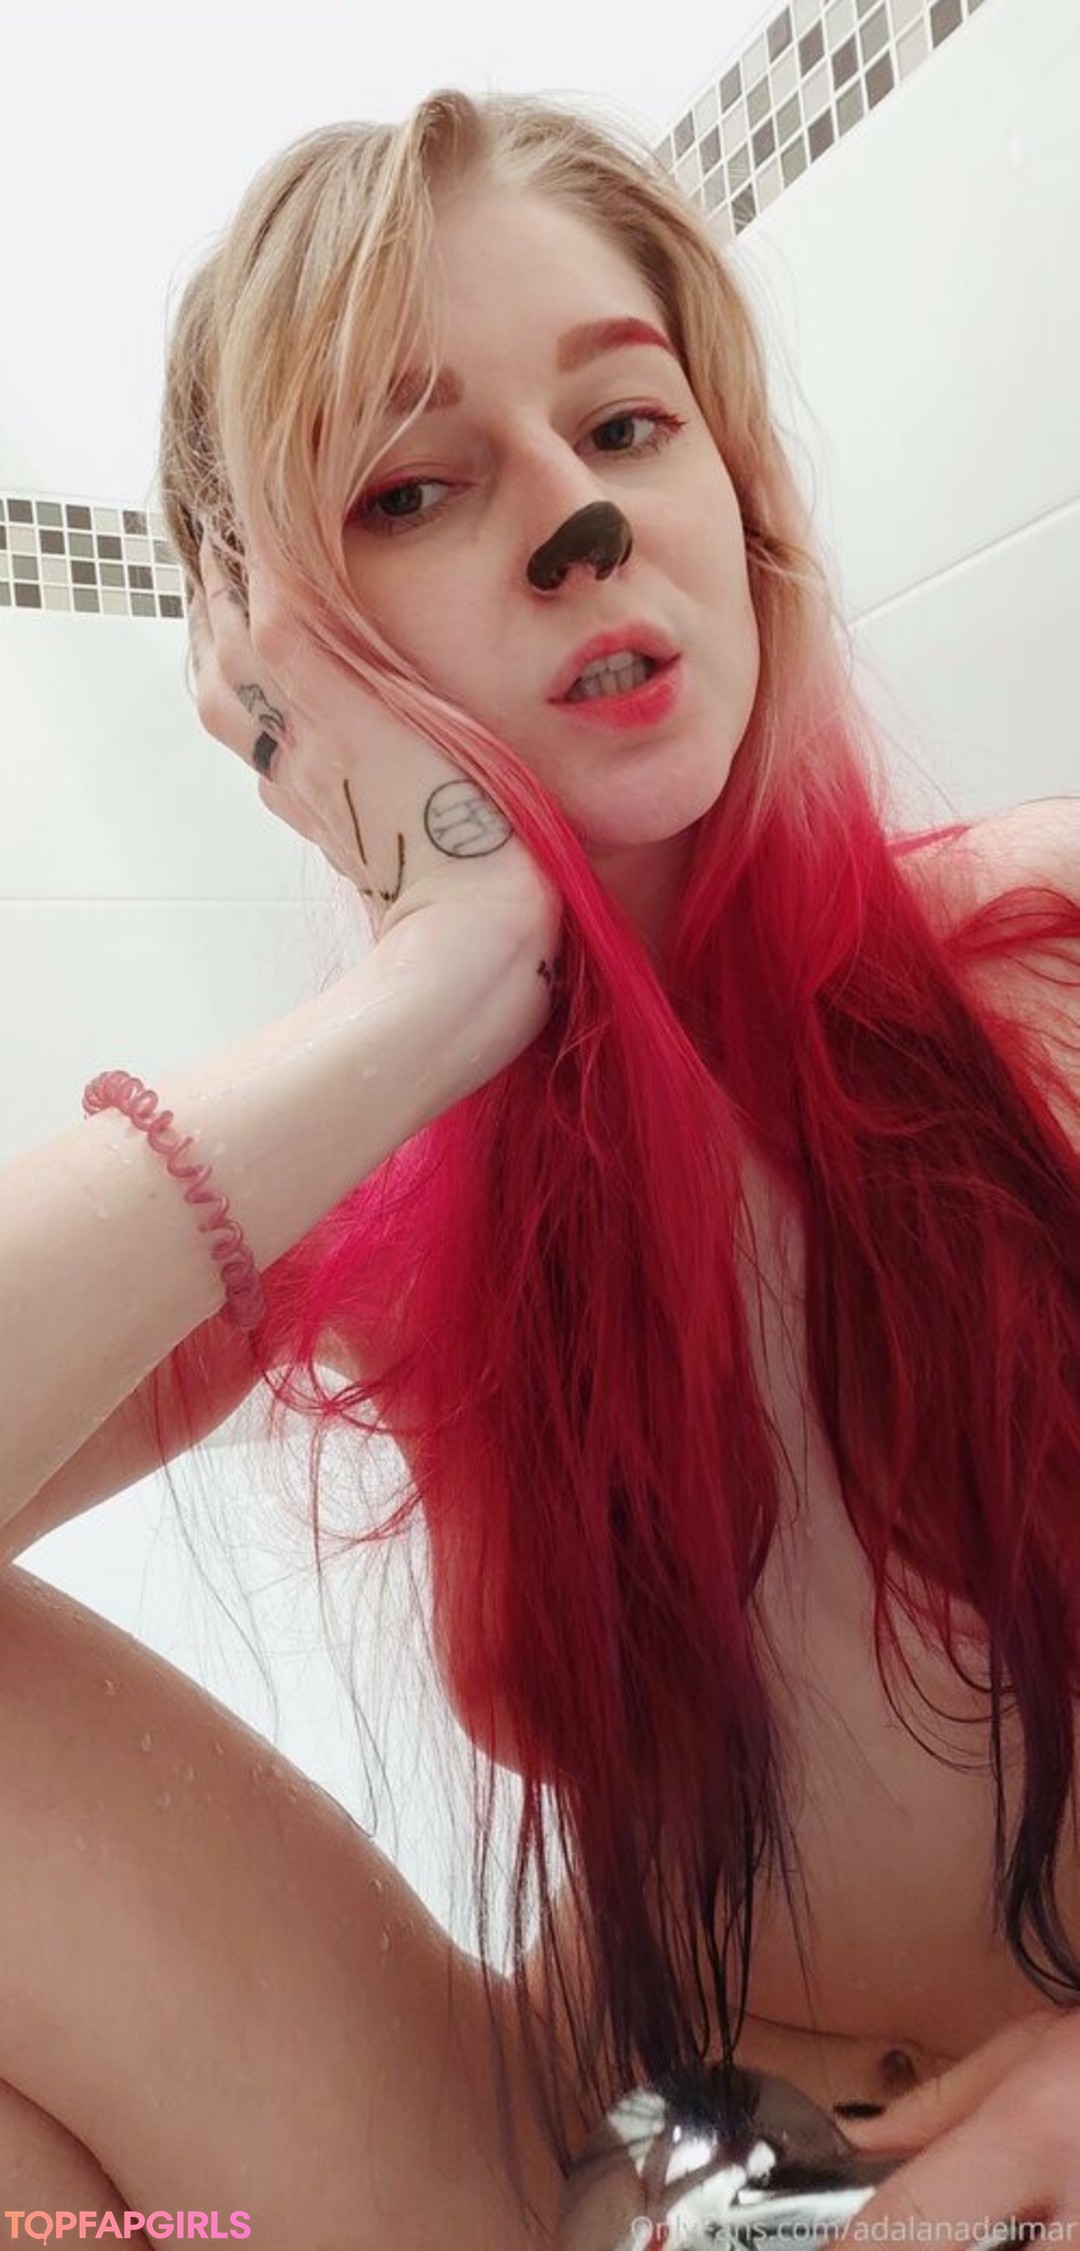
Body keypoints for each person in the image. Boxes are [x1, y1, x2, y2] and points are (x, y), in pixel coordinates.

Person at [0, 83, 1077, 2247]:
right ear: (279, 668)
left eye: (627, 423)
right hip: (624, 2156)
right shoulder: (369, 1201)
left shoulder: (1035, 969)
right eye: (416, 487)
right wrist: (446, 977)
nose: (580, 521)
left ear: (735, 488)